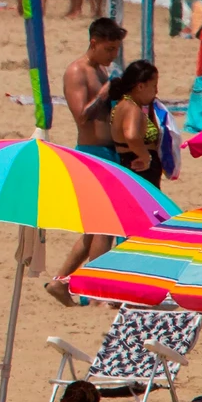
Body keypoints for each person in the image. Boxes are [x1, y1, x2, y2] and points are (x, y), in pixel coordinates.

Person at [45, 18, 127, 305]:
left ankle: (61, 282)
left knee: (96, 227)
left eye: (116, 49)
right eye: (109, 48)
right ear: (94, 42)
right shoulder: (77, 71)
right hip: (92, 153)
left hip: (110, 152)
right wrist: (105, 94)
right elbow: (81, 115)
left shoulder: (102, 70)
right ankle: (96, 292)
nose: (113, 55)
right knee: (105, 224)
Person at [111, 59, 163, 187]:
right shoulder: (132, 109)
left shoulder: (121, 104)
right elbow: (131, 136)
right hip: (141, 168)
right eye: (154, 86)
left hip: (129, 163)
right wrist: (146, 157)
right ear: (140, 86)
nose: (156, 91)